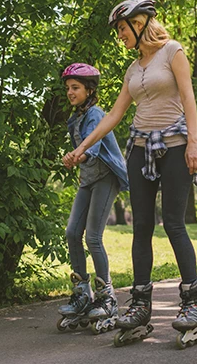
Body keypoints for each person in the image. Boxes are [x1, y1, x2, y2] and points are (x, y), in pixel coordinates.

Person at [63, 0, 197, 348]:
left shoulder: (173, 52)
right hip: (139, 148)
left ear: (139, 22)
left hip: (176, 145)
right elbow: (114, 115)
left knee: (174, 223)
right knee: (141, 227)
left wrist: (194, 142)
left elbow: (189, 97)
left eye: (122, 28)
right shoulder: (133, 69)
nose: (120, 35)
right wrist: (82, 148)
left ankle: (193, 302)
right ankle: (139, 305)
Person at [57, 63, 129, 334]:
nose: (70, 92)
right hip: (88, 179)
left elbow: (94, 148)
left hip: (106, 176)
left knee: (93, 237)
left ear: (89, 90)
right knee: (72, 232)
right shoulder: (75, 117)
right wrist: (76, 159)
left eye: (75, 88)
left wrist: (76, 156)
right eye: (68, 88)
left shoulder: (96, 113)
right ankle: (82, 294)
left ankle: (107, 296)